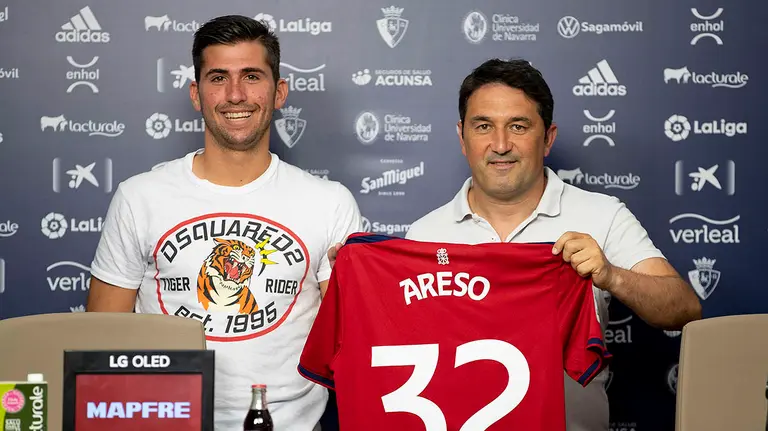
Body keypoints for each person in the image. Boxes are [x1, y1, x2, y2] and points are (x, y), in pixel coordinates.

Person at [328, 58, 702, 431]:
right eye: (484, 126)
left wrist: (612, 276)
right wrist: (357, 283)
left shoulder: (602, 214)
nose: (501, 144)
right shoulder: (427, 234)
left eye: (518, 126)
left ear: (548, 137)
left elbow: (683, 308)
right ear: (463, 138)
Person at [86, 15, 361, 431]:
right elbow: (101, 344)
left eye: (252, 76)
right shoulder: (139, 197)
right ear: (196, 95)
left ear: (279, 91)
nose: (236, 95)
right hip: (164, 423)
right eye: (218, 78)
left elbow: (353, 343)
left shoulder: (329, 203)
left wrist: (361, 282)